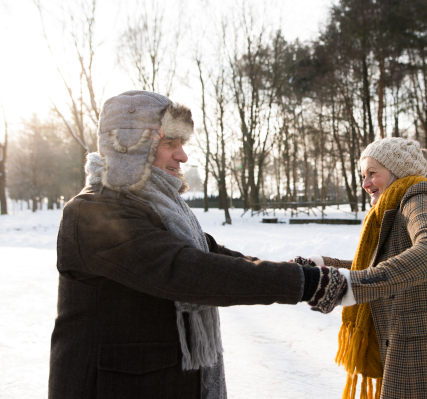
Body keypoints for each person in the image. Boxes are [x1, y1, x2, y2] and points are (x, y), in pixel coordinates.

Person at [48, 90, 348, 399]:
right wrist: (303, 283)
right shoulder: (93, 211)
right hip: (111, 387)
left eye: (182, 144)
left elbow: (209, 253)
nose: (182, 156)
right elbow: (182, 270)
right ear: (130, 146)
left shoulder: (162, 207)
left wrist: (294, 269)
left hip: (163, 381)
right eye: (169, 143)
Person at [295, 138, 427, 399]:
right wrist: (323, 267)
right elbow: (376, 265)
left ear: (397, 171)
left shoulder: (420, 198)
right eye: (363, 175)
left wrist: (351, 286)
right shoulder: (393, 209)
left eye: (372, 173)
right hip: (416, 350)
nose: (365, 184)